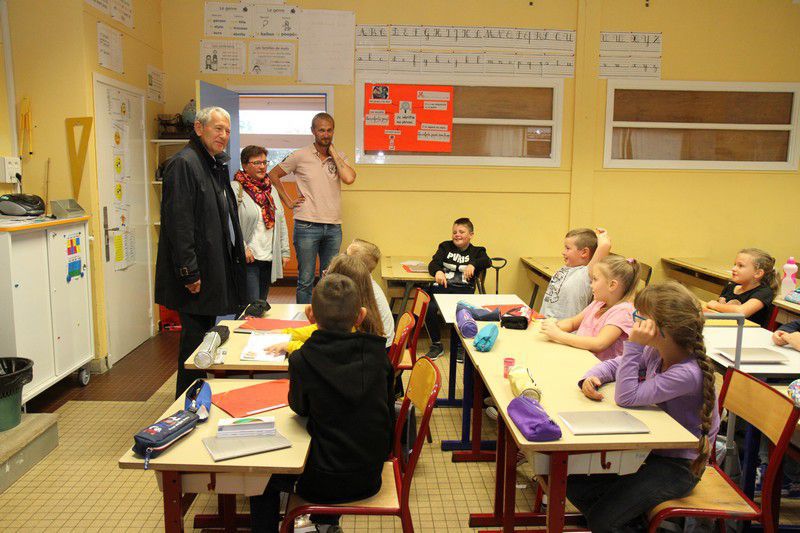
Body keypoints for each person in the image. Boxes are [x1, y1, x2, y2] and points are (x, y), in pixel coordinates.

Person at [567, 281, 720, 532]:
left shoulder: (687, 373)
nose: (635, 322)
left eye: (640, 317)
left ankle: (624, 521)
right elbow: (616, 365)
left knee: (602, 520)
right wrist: (592, 377)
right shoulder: (657, 351)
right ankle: (633, 520)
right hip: (650, 451)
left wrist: (634, 345)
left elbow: (627, 396)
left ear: (662, 328)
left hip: (680, 466)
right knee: (574, 482)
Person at [249, 273, 394, 533]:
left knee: (259, 476)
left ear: (311, 316)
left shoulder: (302, 359)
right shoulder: (378, 356)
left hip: (321, 482)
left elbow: (299, 407)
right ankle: (326, 524)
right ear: (360, 316)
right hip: (371, 474)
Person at [154, 106, 246, 399]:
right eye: (218, 129)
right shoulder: (184, 164)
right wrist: (188, 272)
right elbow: (179, 224)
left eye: (227, 130)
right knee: (194, 344)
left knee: (205, 340)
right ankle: (186, 403)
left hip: (210, 267)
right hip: (194, 274)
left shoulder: (212, 163)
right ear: (198, 128)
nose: (224, 136)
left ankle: (197, 397)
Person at [267, 112, 357, 304]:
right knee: (306, 280)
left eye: (329, 130)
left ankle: (326, 317)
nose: (326, 134)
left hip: (333, 227)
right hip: (306, 226)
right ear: (313, 131)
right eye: (321, 130)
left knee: (330, 279)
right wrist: (288, 201)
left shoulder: (339, 157)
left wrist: (333, 154)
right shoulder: (300, 155)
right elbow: (273, 174)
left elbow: (349, 178)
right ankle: (303, 317)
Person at [265, 254, 388, 354]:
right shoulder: (357, 317)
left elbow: (325, 352)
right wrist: (287, 333)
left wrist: (291, 345)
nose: (324, 276)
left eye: (326, 274)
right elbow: (316, 332)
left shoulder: (357, 330)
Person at [541, 255, 639, 360]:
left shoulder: (623, 311)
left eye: (595, 279)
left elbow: (599, 344)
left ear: (612, 285)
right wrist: (552, 327)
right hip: (580, 358)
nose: (591, 284)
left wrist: (559, 335)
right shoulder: (599, 302)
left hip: (596, 367)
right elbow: (572, 323)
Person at [424, 217, 491, 361]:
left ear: (471, 235)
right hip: (441, 291)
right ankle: (436, 345)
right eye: (454, 232)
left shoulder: (478, 251)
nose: (457, 235)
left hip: (463, 292)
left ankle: (461, 346)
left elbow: (487, 261)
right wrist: (437, 271)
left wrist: (473, 264)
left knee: (463, 311)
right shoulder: (445, 247)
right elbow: (433, 263)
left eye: (461, 232)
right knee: (429, 307)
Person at [230, 145, 290, 302]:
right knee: (251, 305)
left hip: (268, 257)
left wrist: (284, 251)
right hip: (249, 258)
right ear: (245, 165)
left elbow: (280, 219)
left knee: (261, 304)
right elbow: (231, 222)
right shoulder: (236, 188)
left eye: (264, 162)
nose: (262, 166)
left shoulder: (271, 189)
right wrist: (242, 248)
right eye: (257, 163)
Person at [540, 227, 611, 320]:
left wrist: (602, 235)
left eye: (567, 248)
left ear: (584, 252)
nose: (563, 252)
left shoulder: (586, 273)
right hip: (544, 322)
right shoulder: (566, 268)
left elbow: (605, 245)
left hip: (564, 327)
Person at [705, 248, 778, 328]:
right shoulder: (731, 285)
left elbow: (742, 312)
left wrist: (716, 306)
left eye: (740, 266)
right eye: (735, 264)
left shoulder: (764, 292)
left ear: (758, 273)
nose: (733, 269)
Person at [346, 238, 395, 348]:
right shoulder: (364, 280)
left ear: (354, 266)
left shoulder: (360, 287)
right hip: (380, 341)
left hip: (379, 346)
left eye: (346, 256)